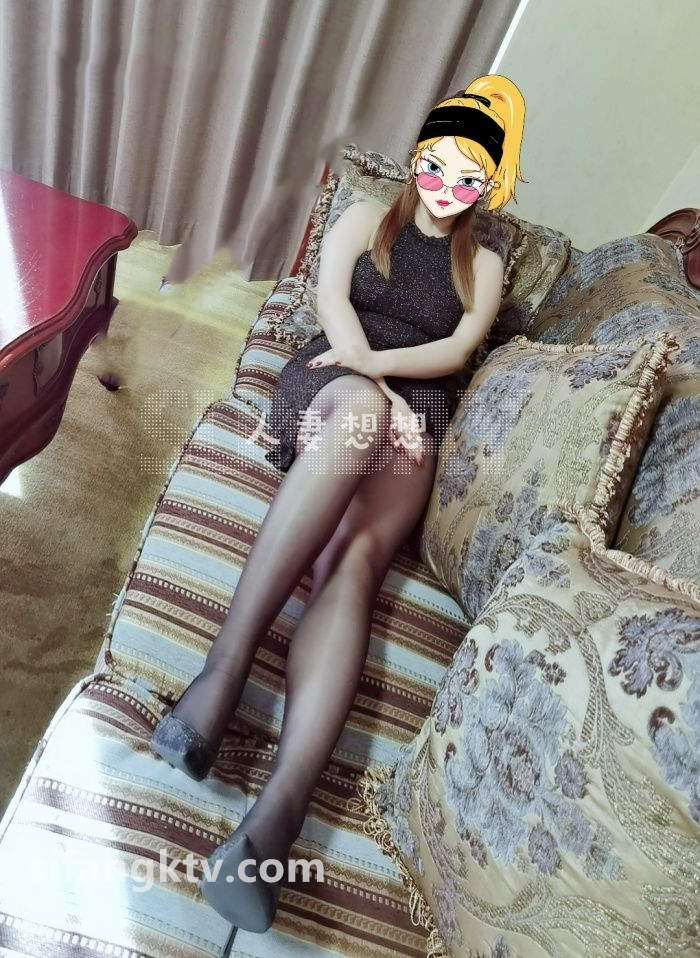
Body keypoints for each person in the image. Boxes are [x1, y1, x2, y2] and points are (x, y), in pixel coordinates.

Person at [150, 73, 526, 932]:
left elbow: (457, 351)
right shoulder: (364, 216)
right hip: (334, 383)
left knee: (356, 560)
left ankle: (275, 820)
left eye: (471, 175)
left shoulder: (486, 263)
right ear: (420, 153)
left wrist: (395, 392)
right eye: (439, 163)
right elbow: (329, 303)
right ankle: (222, 675)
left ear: (491, 185)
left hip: (417, 409)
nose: (448, 185)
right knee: (357, 414)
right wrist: (377, 388)